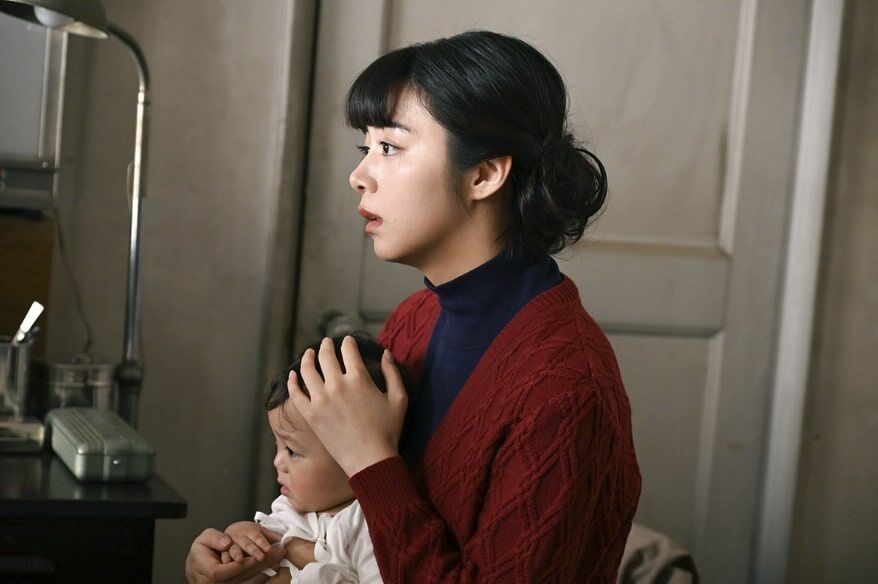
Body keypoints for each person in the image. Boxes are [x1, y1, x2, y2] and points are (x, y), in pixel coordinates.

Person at [187, 29, 641, 583]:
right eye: (366, 149)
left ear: (484, 175)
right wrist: (254, 560)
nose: (359, 176)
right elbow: (348, 542)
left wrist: (369, 459)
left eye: (390, 148)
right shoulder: (413, 321)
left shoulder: (566, 387)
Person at [212, 332, 413, 583]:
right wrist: (239, 536)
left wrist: (304, 557)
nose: (277, 462)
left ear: (352, 455)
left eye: (292, 451)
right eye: (277, 445)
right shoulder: (291, 508)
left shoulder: (369, 528)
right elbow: (256, 553)